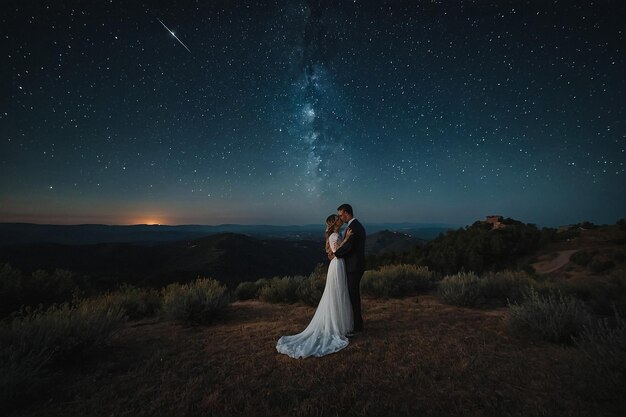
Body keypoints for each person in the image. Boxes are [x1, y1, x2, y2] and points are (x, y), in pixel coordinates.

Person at [276, 214, 353, 358]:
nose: (340, 219)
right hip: (337, 265)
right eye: (338, 218)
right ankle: (336, 326)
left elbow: (333, 252)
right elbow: (336, 252)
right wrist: (347, 238)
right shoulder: (334, 236)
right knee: (337, 294)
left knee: (339, 293)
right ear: (334, 223)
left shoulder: (337, 234)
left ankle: (339, 324)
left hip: (338, 264)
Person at [333, 203, 366, 333]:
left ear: (347, 213)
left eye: (341, 215)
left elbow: (348, 247)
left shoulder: (352, 227)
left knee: (353, 296)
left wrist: (336, 254)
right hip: (356, 266)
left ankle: (357, 325)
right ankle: (356, 323)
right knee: (353, 295)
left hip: (354, 267)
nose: (340, 218)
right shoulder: (356, 225)